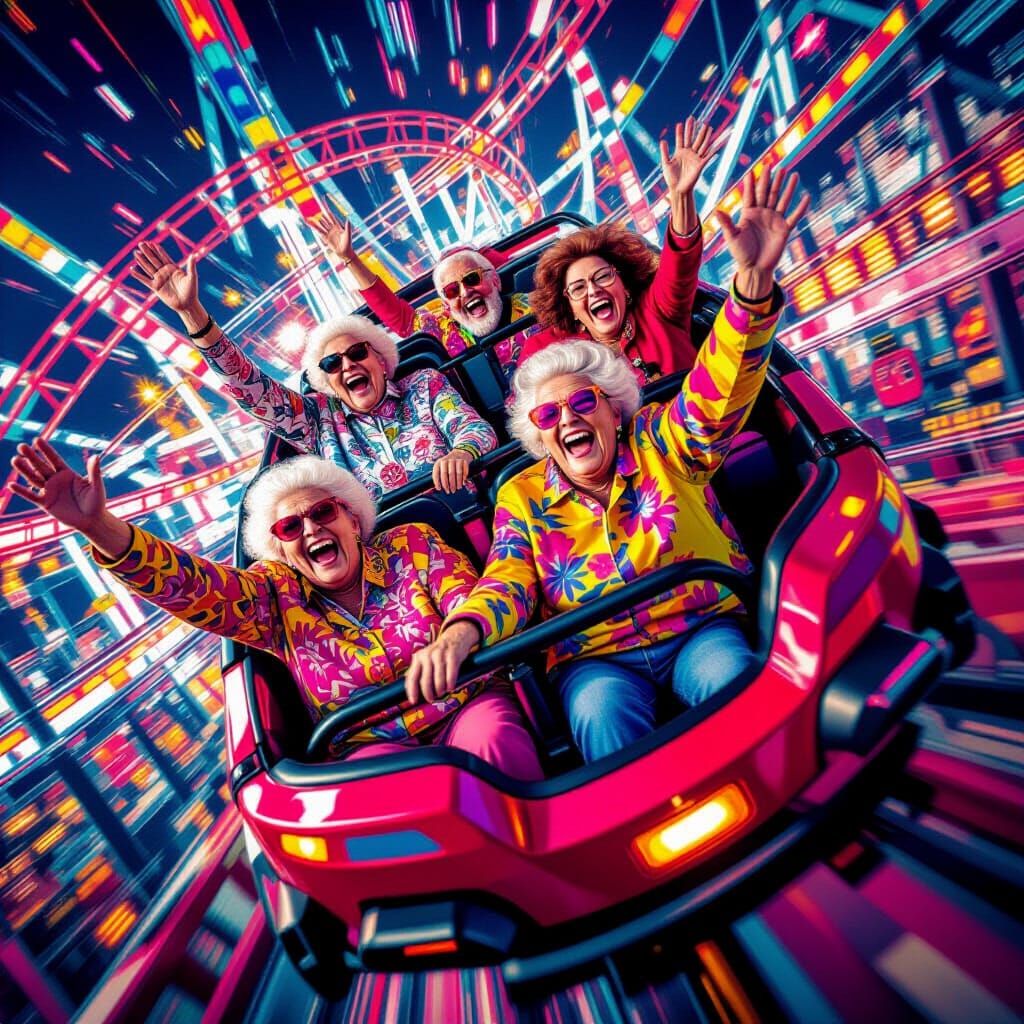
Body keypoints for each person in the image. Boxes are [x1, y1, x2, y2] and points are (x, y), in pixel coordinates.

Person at [407, 167, 810, 764]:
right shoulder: (520, 493)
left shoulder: (659, 440)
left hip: (695, 624)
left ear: (612, 408)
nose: (567, 420)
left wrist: (751, 287)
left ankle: (780, 787)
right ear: (537, 436)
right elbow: (508, 576)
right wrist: (465, 629)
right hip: (596, 657)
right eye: (548, 417)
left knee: (733, 683)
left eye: (581, 402)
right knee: (601, 720)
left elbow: (716, 391)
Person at [9, 444, 543, 778]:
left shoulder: (412, 545)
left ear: (353, 520)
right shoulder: (272, 596)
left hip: (467, 706)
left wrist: (456, 638)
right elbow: (195, 588)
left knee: (491, 743)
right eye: (290, 527)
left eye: (322, 513)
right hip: (368, 745)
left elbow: (470, 598)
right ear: (281, 547)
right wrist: (100, 528)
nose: (310, 530)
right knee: (384, 794)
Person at [131, 242, 497, 500]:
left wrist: (462, 452)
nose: (348, 364)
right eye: (332, 364)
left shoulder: (423, 385)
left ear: (382, 361)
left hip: (465, 511)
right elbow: (249, 388)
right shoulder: (317, 423)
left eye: (357, 352)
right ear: (326, 382)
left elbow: (472, 427)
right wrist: (192, 314)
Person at [520, 117, 718, 386]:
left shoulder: (657, 310)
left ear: (624, 285)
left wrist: (681, 196)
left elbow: (680, 261)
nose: (593, 290)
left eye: (602, 276)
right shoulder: (559, 352)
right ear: (571, 307)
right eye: (578, 288)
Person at [312, 213, 536, 383]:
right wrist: (350, 258)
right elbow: (396, 315)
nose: (465, 292)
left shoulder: (538, 306)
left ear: (495, 280)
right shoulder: (439, 325)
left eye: (471, 279)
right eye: (451, 291)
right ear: (446, 306)